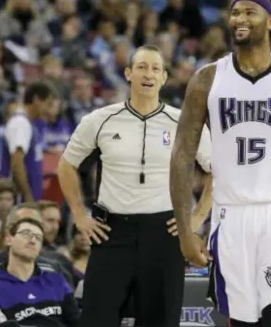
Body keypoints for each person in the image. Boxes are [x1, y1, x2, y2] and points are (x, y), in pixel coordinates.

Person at [169, 0, 271, 327]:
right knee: (241, 322)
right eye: (235, 13)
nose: (240, 19)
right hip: (231, 215)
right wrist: (186, 229)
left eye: (250, 12)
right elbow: (182, 154)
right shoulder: (207, 79)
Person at [57, 44, 212, 327]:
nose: (148, 74)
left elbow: (218, 172)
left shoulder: (184, 122)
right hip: (111, 233)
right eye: (141, 67)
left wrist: (197, 218)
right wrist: (79, 215)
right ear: (128, 74)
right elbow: (66, 165)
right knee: (96, 319)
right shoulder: (100, 119)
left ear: (164, 77)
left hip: (164, 234)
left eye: (155, 68)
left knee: (160, 320)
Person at [0, 218, 80, 327]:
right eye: (26, 234)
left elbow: (76, 322)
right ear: (8, 239)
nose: (33, 240)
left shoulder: (57, 281)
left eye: (38, 238)